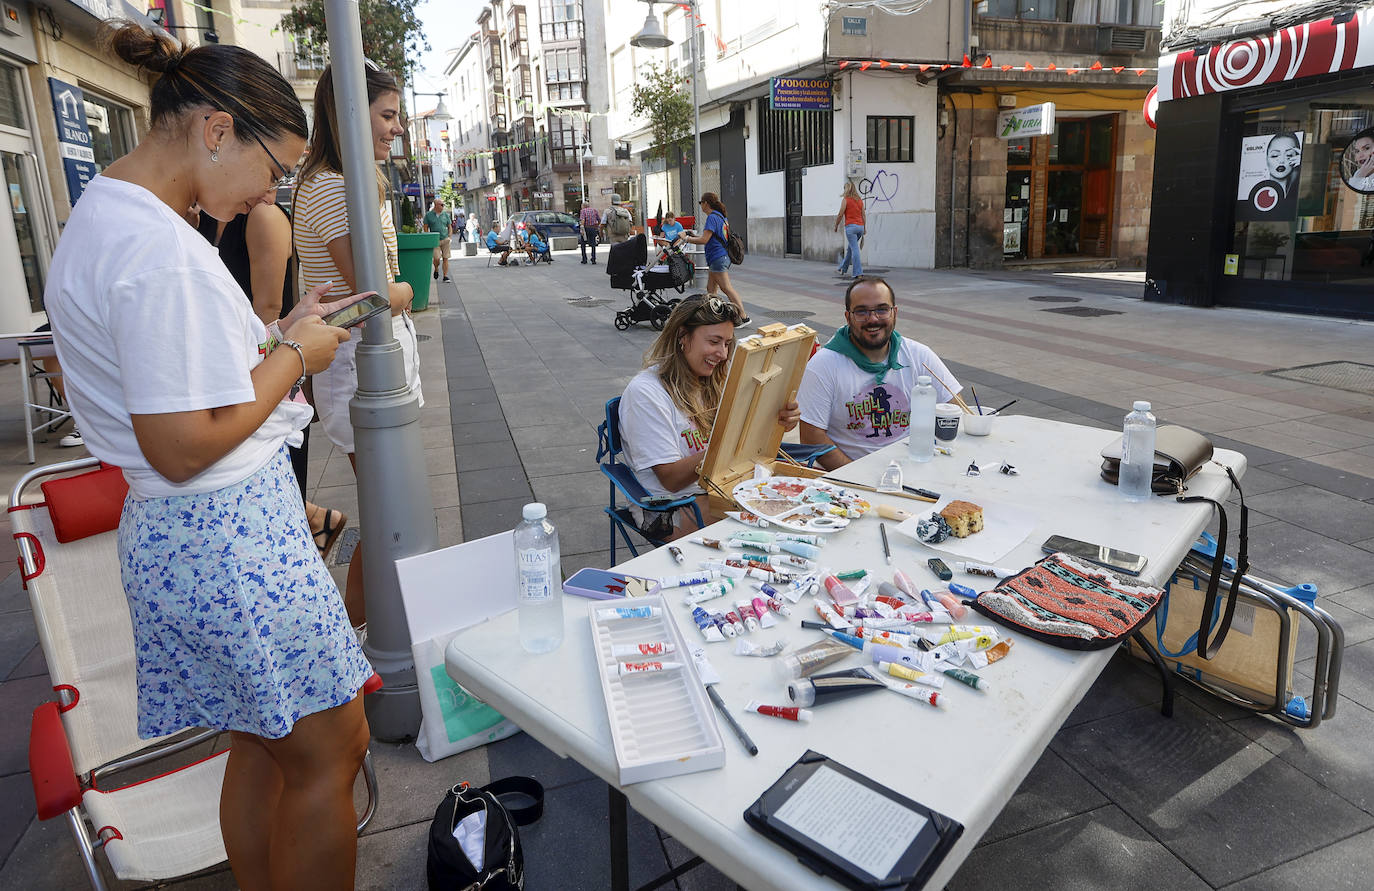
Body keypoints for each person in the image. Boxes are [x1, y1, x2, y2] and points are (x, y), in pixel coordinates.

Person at [44, 23, 371, 890]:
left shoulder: (112, 215)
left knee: (261, 741)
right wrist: (297, 357)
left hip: (194, 534)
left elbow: (180, 394)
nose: (272, 193)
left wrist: (277, 335)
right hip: (226, 533)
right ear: (217, 128)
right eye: (276, 170)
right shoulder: (158, 251)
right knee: (330, 746)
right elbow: (185, 442)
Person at [293, 61, 424, 629]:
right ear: (349, 113)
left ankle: (369, 635)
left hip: (370, 361)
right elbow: (364, 296)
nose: (396, 127)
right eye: (387, 114)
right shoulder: (333, 186)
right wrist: (405, 289)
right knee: (388, 510)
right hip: (357, 365)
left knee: (392, 508)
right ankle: (359, 638)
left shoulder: (343, 180)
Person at [197, 186, 348, 559]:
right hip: (251, 371)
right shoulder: (213, 216)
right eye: (273, 169)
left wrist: (281, 356)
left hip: (264, 374)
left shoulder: (262, 215)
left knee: (278, 487)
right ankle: (314, 523)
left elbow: (266, 307)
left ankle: (307, 536)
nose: (272, 185)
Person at [619, 295, 799, 539]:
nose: (723, 354)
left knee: (802, 504)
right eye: (714, 342)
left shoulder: (713, 381)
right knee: (781, 524)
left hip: (721, 488)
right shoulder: (645, 393)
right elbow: (671, 480)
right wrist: (731, 442)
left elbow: (742, 452)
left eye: (727, 343)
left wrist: (770, 422)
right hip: (671, 508)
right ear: (682, 337)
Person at [798, 276, 961, 470]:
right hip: (851, 480)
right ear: (848, 317)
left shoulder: (919, 356)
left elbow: (956, 408)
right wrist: (858, 478)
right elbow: (812, 437)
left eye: (882, 309)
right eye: (861, 312)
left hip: (916, 469)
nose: (873, 319)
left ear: (895, 313)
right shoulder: (823, 366)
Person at [678, 192, 748, 324]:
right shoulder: (721, 217)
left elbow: (704, 239)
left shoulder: (711, 218)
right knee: (711, 290)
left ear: (706, 203)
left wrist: (686, 238)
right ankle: (713, 314)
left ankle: (743, 316)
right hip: (719, 257)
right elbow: (711, 237)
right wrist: (693, 235)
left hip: (717, 257)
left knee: (726, 288)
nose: (701, 206)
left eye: (701, 203)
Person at [834, 181, 866, 278]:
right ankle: (842, 268)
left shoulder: (846, 200)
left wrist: (836, 225)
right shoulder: (860, 200)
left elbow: (840, 214)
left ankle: (858, 273)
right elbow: (863, 215)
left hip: (851, 228)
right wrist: (865, 228)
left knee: (854, 250)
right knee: (850, 249)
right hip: (860, 227)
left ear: (846, 189)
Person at [424, 197, 453, 283]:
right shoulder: (429, 215)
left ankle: (445, 276)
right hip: (435, 240)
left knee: (445, 258)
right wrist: (428, 237)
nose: (443, 206)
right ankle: (436, 268)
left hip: (445, 239)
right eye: (442, 205)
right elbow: (425, 227)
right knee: (436, 258)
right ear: (436, 205)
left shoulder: (445, 215)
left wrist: (449, 236)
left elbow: (449, 226)